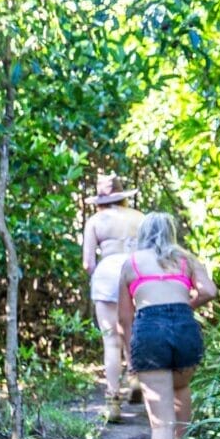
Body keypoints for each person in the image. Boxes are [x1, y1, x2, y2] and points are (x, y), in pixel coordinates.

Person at [118, 212, 217, 439]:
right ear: (171, 233)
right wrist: (185, 305)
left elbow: (124, 318)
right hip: (184, 328)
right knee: (182, 386)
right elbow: (209, 291)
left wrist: (128, 353)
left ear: (143, 234)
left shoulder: (131, 263)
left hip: (150, 332)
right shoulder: (185, 259)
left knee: (160, 421)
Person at [82, 174, 145, 422]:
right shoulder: (139, 218)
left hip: (108, 271)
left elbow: (88, 262)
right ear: (122, 197)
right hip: (136, 270)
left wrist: (95, 277)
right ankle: (136, 376)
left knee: (111, 341)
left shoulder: (95, 221)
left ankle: (113, 402)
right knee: (134, 331)